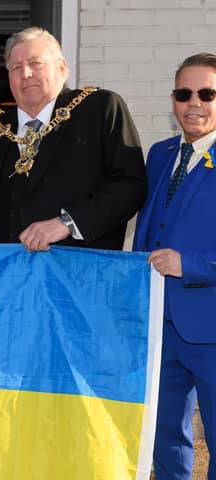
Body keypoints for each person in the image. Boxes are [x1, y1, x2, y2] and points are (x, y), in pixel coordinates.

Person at [0, 27, 147, 250]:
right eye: (16, 67)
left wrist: (69, 223)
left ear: (61, 67)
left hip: (79, 272)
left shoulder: (99, 109)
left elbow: (129, 186)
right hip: (8, 276)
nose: (26, 74)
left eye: (36, 63)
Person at [133, 52, 216, 479]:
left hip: (211, 325)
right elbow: (149, 226)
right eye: (185, 94)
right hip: (160, 325)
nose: (194, 103)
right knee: (164, 435)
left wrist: (193, 264)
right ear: (172, 99)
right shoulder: (160, 154)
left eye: (207, 93)